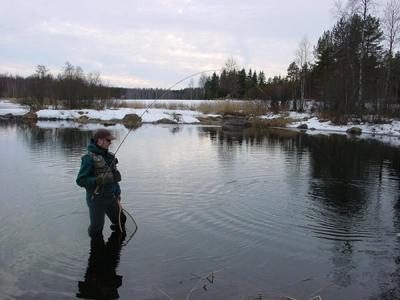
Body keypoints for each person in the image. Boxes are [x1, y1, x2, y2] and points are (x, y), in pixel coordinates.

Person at [76, 129, 126, 238]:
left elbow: (114, 180)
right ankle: (96, 251)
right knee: (97, 228)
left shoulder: (110, 157)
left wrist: (117, 193)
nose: (110, 142)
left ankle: (115, 249)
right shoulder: (88, 158)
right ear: (99, 141)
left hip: (111, 197)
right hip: (96, 199)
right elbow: (80, 180)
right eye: (108, 140)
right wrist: (95, 181)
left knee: (121, 220)